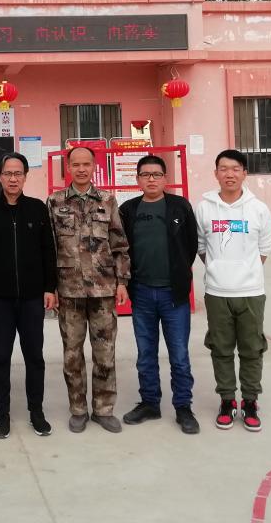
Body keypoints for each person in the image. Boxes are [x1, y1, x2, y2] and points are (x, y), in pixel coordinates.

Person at [47, 145, 131, 434]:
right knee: (72, 355)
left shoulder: (107, 200)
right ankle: (78, 409)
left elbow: (120, 244)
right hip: (68, 290)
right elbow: (49, 248)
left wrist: (122, 283)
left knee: (104, 353)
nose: (81, 169)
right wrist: (51, 287)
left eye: (86, 164)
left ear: (94, 167)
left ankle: (104, 409)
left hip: (103, 290)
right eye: (76, 164)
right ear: (68, 168)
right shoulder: (55, 202)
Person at [0, 152, 57, 439]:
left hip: (33, 298)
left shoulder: (37, 209)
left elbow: (48, 251)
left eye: (18, 173)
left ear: (25, 176)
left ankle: (37, 412)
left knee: (34, 356)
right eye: (8, 173)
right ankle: (2, 414)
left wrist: (49, 288)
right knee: (0, 356)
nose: (13, 179)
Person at [118, 154, 200, 435]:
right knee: (145, 354)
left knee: (179, 355)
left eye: (156, 174)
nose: (151, 179)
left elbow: (190, 245)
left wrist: (178, 273)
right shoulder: (128, 209)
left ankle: (183, 406)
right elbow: (122, 249)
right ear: (137, 179)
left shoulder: (179, 206)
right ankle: (150, 402)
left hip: (173, 294)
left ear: (165, 178)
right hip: (141, 293)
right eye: (145, 175)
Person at [195, 149, 271, 432]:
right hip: (217, 293)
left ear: (244, 173)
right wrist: (219, 269)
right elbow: (201, 246)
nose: (229, 174)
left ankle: (250, 401)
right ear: (216, 173)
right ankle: (227, 400)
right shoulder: (204, 207)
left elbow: (264, 248)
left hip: (251, 292)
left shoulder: (258, 209)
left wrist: (244, 271)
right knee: (221, 349)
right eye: (224, 169)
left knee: (252, 349)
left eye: (235, 169)